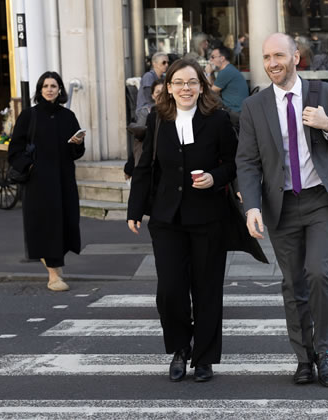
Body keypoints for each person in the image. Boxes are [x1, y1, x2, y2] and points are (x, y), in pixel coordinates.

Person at [236, 33, 328, 387]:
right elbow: (247, 162)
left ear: (296, 58)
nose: (272, 63)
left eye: (279, 56)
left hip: (320, 199)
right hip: (281, 205)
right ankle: (304, 358)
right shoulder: (254, 106)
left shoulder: (325, 94)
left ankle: (325, 352)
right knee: (293, 283)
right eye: (266, 57)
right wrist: (251, 207)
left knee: (319, 273)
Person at [127, 58, 237, 383]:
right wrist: (135, 209)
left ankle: (204, 358)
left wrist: (215, 177)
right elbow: (145, 167)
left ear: (202, 86)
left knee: (207, 290)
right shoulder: (157, 118)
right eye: (178, 82)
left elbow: (234, 162)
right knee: (170, 291)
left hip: (208, 218)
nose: (185, 88)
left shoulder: (218, 120)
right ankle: (180, 347)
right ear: (169, 87)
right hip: (167, 218)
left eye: (191, 82)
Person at [8, 71, 85, 292]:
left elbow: (77, 153)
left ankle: (55, 266)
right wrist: (31, 167)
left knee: (66, 223)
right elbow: (14, 150)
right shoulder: (29, 115)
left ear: (60, 90)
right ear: (39, 90)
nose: (49, 90)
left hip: (64, 180)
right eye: (45, 86)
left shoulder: (68, 116)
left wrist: (77, 143)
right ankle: (53, 275)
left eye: (53, 86)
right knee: (46, 226)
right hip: (39, 183)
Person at [124, 79, 165, 181]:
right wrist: (130, 166)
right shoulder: (147, 113)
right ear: (152, 96)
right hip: (148, 162)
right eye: (158, 92)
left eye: (163, 92)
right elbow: (140, 141)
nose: (161, 95)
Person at [206, 46, 249, 118]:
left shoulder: (226, 71)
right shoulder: (228, 69)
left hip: (234, 112)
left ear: (222, 58)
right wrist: (212, 73)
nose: (210, 60)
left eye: (213, 57)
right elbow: (215, 88)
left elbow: (210, 93)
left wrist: (208, 73)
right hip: (236, 110)